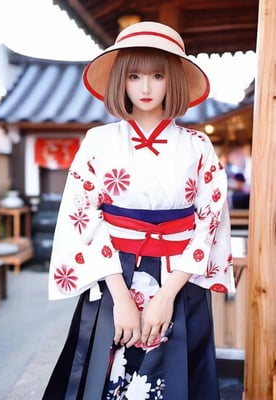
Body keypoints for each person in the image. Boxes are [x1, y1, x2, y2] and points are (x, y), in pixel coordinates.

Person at [43, 21, 235, 400]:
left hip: (179, 279)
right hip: (114, 272)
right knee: (103, 377)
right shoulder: (99, 141)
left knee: (178, 382)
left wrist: (167, 295)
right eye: (134, 76)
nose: (145, 88)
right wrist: (120, 297)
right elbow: (84, 216)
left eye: (158, 75)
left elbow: (209, 218)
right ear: (122, 81)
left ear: (172, 80)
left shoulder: (197, 146)